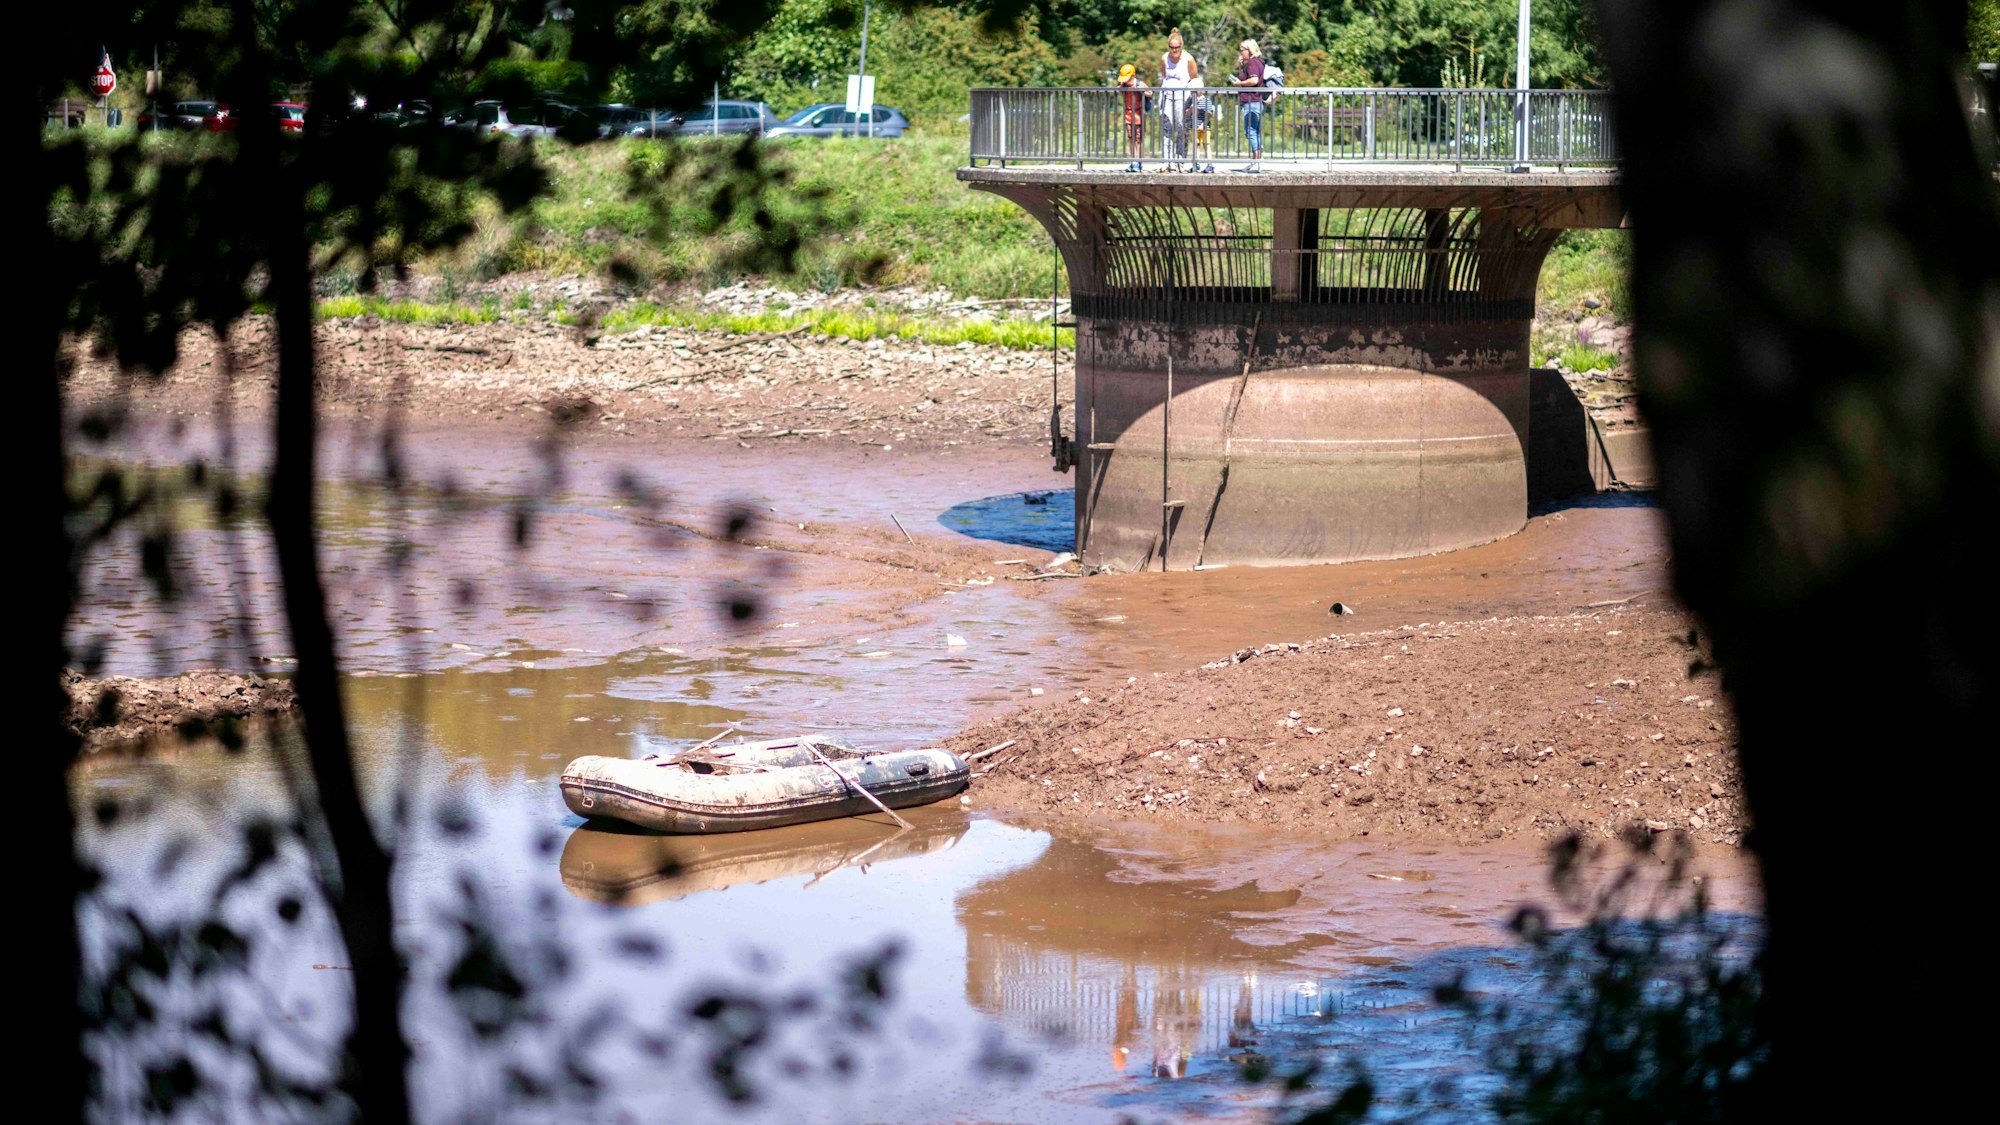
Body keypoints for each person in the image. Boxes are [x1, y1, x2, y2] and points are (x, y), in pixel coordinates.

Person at [1158, 28, 1199, 172]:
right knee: (1167, 127)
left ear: (1181, 46)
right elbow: (1164, 74)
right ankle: (1166, 161)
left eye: (1177, 47)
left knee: (1182, 127)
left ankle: (1180, 159)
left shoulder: (1188, 59)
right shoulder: (1164, 57)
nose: (1174, 50)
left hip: (1183, 96)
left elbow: (1194, 78)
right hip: (1167, 95)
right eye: (1172, 47)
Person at [1230, 39, 1267, 173]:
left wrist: (1239, 84)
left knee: (1250, 131)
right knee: (1254, 132)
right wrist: (1241, 66)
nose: (1240, 52)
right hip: (1256, 101)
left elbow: (1254, 80)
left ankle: (1257, 160)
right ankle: (1255, 160)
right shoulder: (1257, 62)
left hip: (1252, 102)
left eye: (1242, 50)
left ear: (1249, 50)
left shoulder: (1252, 62)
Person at [1115, 63, 1149, 172]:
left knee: (1139, 140)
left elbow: (1150, 93)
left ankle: (1138, 162)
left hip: (1139, 114)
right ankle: (1132, 161)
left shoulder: (1140, 84)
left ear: (1133, 76)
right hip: (1128, 115)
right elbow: (1118, 89)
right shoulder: (1124, 85)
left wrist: (1140, 90)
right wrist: (1121, 85)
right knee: (1131, 139)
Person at [1191, 90, 1216, 173]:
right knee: (1196, 145)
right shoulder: (1191, 100)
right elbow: (1187, 113)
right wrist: (1191, 109)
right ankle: (1196, 164)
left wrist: (1203, 124)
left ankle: (1210, 165)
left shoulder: (1206, 100)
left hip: (1205, 127)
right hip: (1194, 127)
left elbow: (1209, 114)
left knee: (1206, 145)